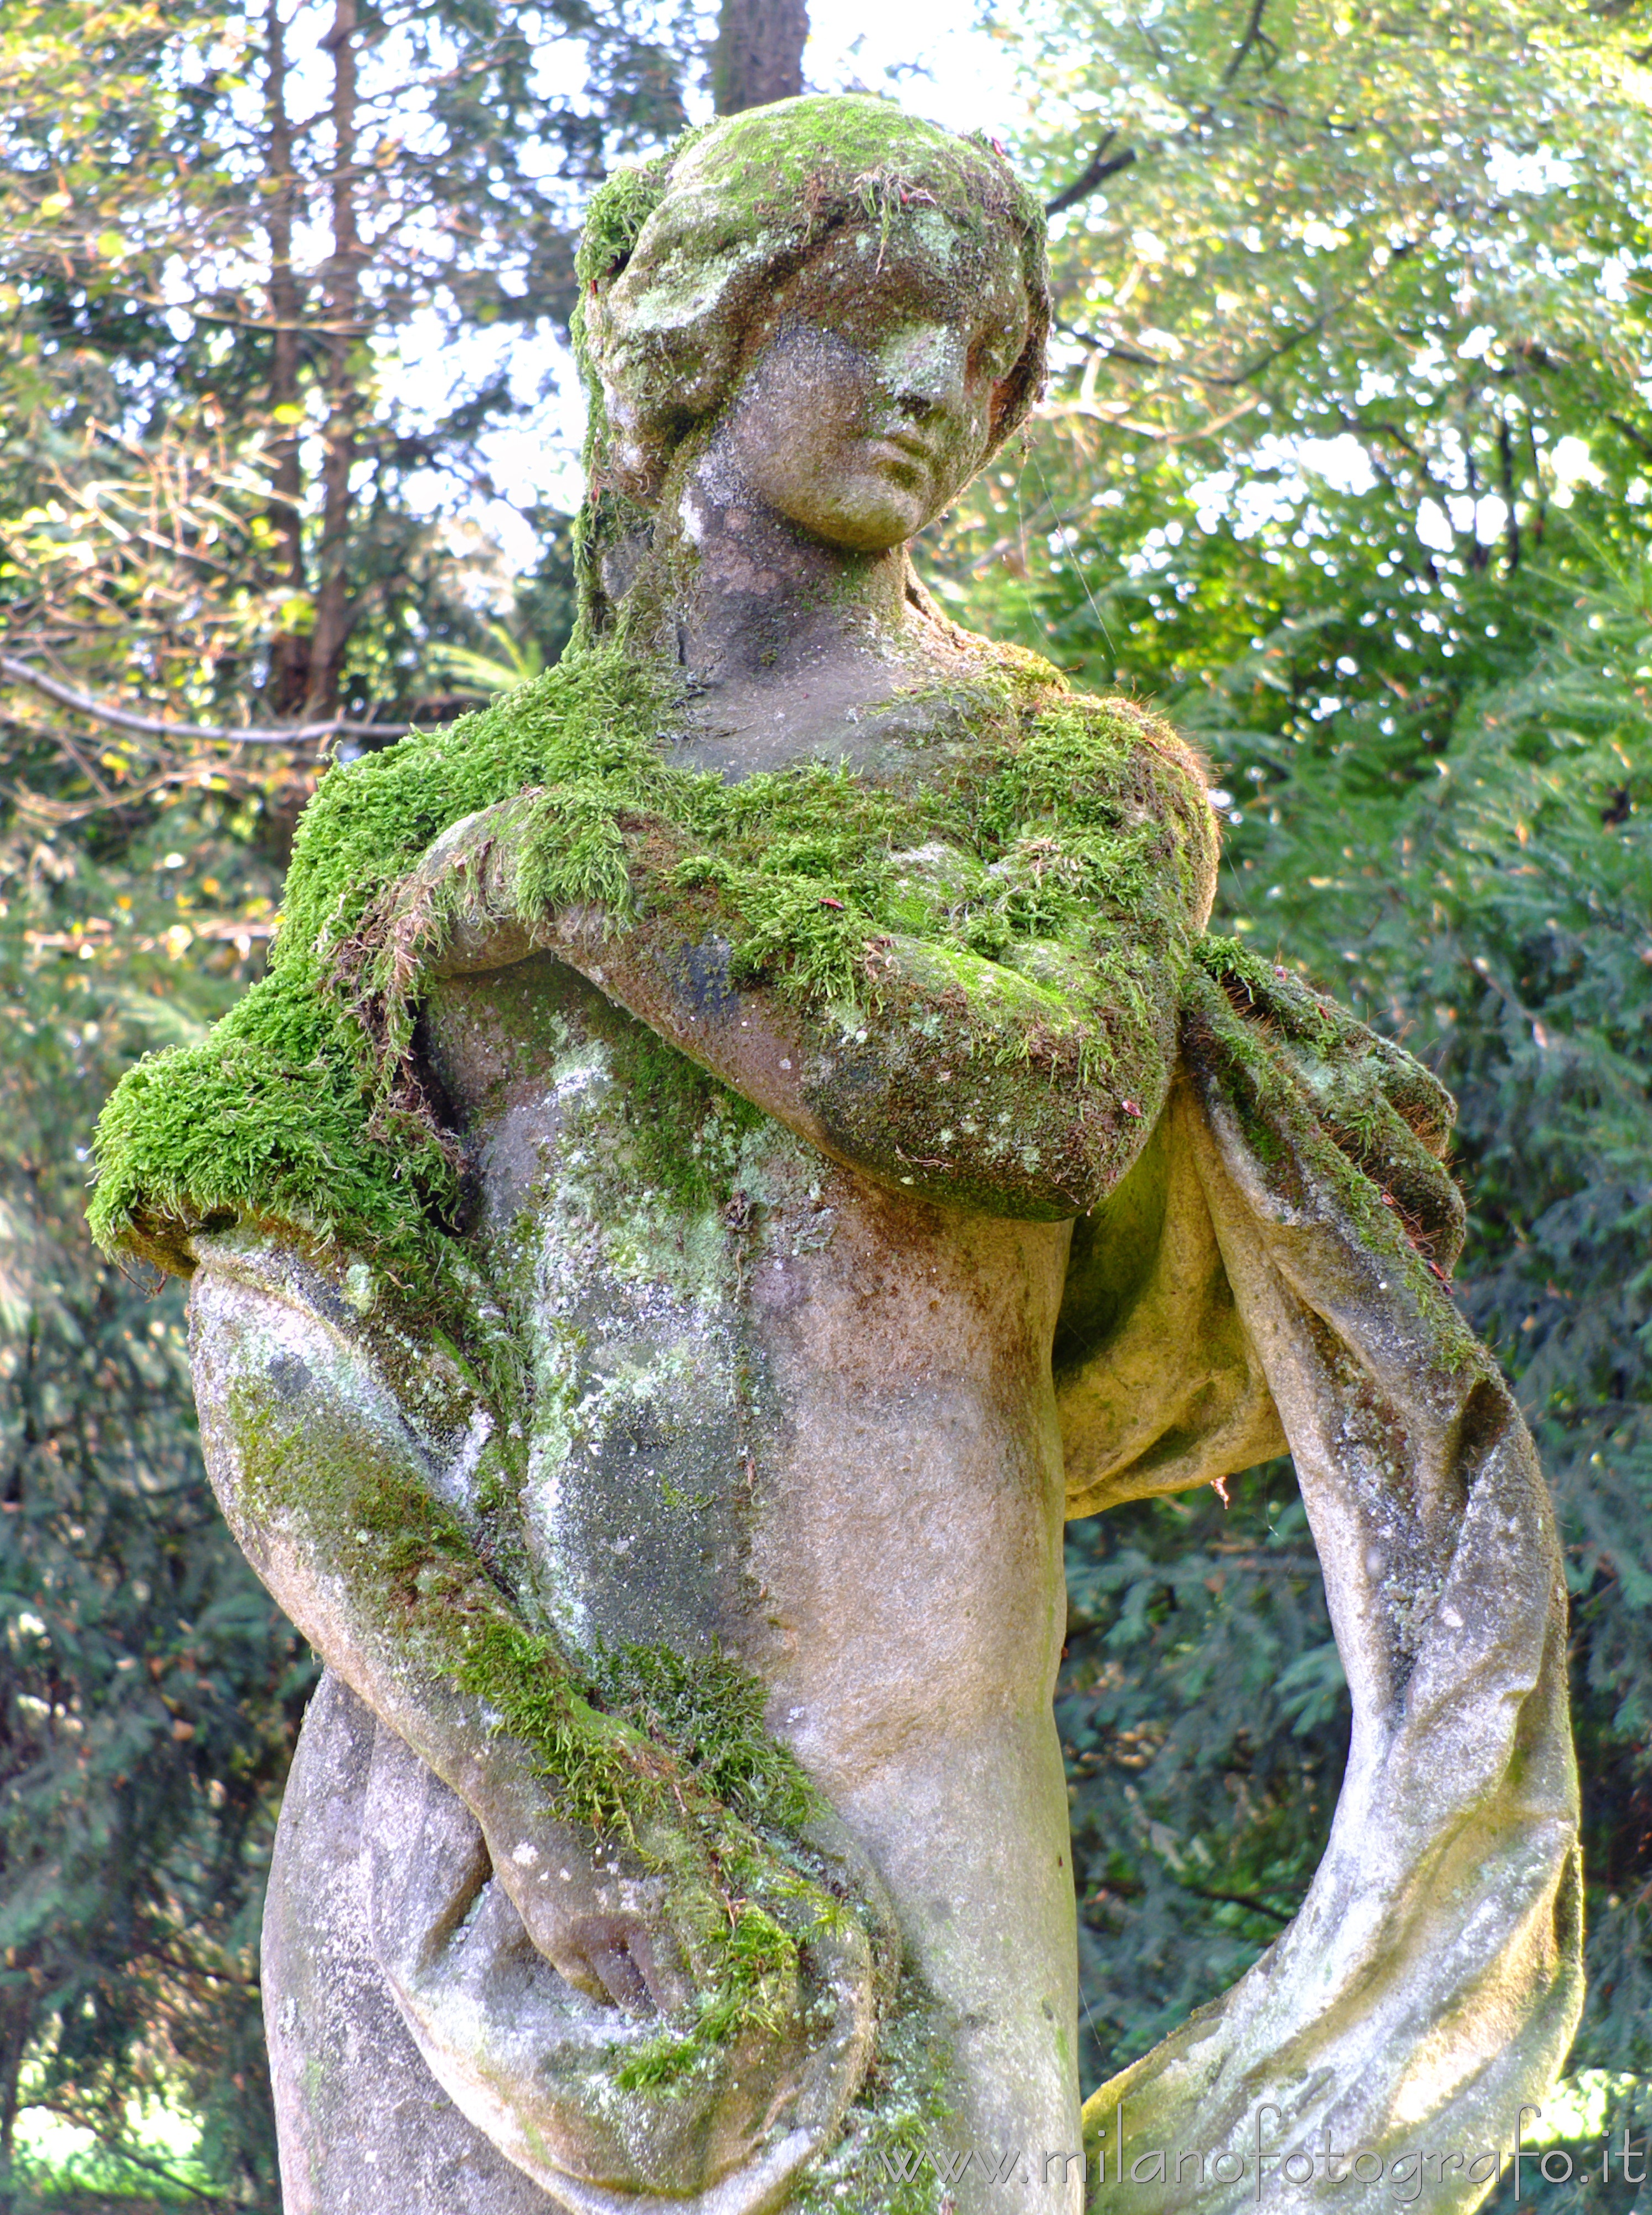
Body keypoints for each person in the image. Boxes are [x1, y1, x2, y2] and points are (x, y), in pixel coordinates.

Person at [91, 96, 1581, 2215]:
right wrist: (536, 1777)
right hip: (457, 1812)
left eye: (984, 355)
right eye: (872, 317)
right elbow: (282, 1335)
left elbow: (1052, 1104)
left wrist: (617, 893)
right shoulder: (411, 824)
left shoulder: (1059, 777)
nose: (932, 391)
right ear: (701, 332)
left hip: (902, 1776)